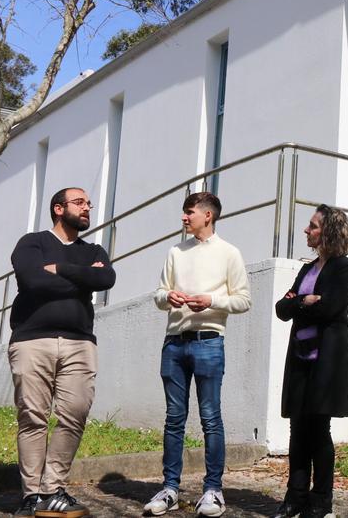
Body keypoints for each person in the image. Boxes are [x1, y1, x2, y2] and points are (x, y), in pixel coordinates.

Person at [8, 187, 115, 518]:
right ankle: (32, 496)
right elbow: (32, 281)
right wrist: (84, 277)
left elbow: (106, 278)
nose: (87, 209)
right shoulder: (32, 243)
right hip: (32, 340)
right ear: (58, 208)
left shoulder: (94, 248)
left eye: (88, 204)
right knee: (33, 417)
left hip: (80, 341)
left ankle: (52, 488)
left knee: (76, 413)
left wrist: (60, 269)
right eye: (79, 203)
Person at [142, 192, 252, 517]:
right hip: (174, 342)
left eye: (189, 212)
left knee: (210, 417)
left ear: (208, 215)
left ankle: (213, 491)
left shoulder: (229, 253)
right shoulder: (175, 251)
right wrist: (168, 297)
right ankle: (170, 489)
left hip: (209, 341)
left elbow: (244, 300)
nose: (183, 218)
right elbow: (159, 294)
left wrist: (211, 301)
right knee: (174, 419)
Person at [272, 204, 348, 518]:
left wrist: (301, 304)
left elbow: (331, 309)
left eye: (312, 226)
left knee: (319, 429)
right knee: (297, 428)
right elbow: (282, 309)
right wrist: (305, 302)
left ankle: (321, 500)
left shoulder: (345, 268)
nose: (306, 231)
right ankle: (295, 497)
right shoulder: (307, 269)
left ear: (329, 232)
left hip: (327, 361)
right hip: (300, 358)